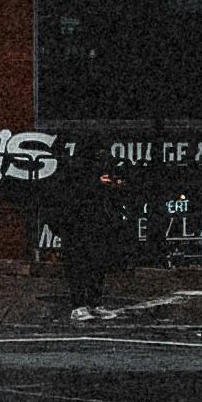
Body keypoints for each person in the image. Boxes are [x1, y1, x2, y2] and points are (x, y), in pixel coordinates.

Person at [48, 128, 125, 322]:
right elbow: (71, 194)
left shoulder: (85, 167)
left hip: (93, 224)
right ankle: (81, 304)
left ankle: (91, 303)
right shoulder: (77, 169)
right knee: (81, 265)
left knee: (94, 265)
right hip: (77, 224)